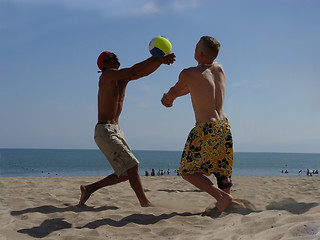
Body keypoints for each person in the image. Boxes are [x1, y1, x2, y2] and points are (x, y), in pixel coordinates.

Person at [77, 50, 176, 207]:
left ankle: (89, 189)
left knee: (125, 173)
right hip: (105, 131)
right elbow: (133, 71)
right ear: (104, 65)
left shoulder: (121, 79)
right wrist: (157, 58)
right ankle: (145, 203)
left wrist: (160, 62)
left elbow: (140, 73)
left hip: (116, 130)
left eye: (116, 55)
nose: (116, 57)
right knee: (133, 165)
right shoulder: (105, 77)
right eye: (111, 57)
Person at [161, 36, 233, 212]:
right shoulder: (219, 68)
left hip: (206, 128)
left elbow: (176, 90)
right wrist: (176, 95)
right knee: (222, 170)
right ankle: (225, 206)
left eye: (195, 47)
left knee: (187, 172)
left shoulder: (188, 73)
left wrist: (168, 99)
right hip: (224, 126)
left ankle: (221, 197)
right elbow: (193, 87)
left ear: (199, 53)